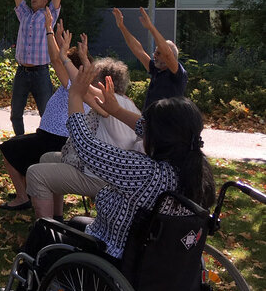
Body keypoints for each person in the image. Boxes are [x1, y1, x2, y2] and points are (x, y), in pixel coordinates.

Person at [24, 64, 215, 260]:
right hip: (161, 259)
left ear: (160, 138)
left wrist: (75, 96)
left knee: (43, 232)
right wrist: (115, 110)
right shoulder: (199, 170)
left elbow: (86, 147)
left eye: (148, 127)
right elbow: (145, 128)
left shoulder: (145, 172)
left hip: (114, 252)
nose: (143, 129)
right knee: (75, 222)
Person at [0, 10, 98, 210]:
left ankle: (22, 197)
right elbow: (60, 58)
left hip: (53, 141)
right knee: (21, 149)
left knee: (8, 149)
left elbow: (55, 59)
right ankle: (29, 191)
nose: (63, 64)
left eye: (67, 62)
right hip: (52, 138)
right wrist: (62, 42)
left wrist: (48, 29)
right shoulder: (81, 84)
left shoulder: (74, 84)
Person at [26, 55, 143, 220]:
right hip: (105, 170)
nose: (91, 79)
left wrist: (64, 58)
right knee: (47, 158)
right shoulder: (126, 102)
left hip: (100, 177)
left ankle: (45, 232)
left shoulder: (110, 99)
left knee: (35, 174)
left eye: (94, 76)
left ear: (104, 82)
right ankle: (57, 218)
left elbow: (81, 88)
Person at [10, 0, 63, 135]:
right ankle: (19, 142)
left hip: (41, 73)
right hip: (21, 73)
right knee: (15, 114)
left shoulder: (49, 15)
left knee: (46, 114)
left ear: (45, 1)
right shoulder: (24, 13)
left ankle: (43, 143)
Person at [113, 7, 188, 110]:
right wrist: (121, 26)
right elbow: (138, 50)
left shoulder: (177, 73)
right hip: (149, 121)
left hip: (167, 123)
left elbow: (167, 54)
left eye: (158, 53)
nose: (154, 55)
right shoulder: (156, 69)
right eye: (155, 52)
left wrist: (151, 27)